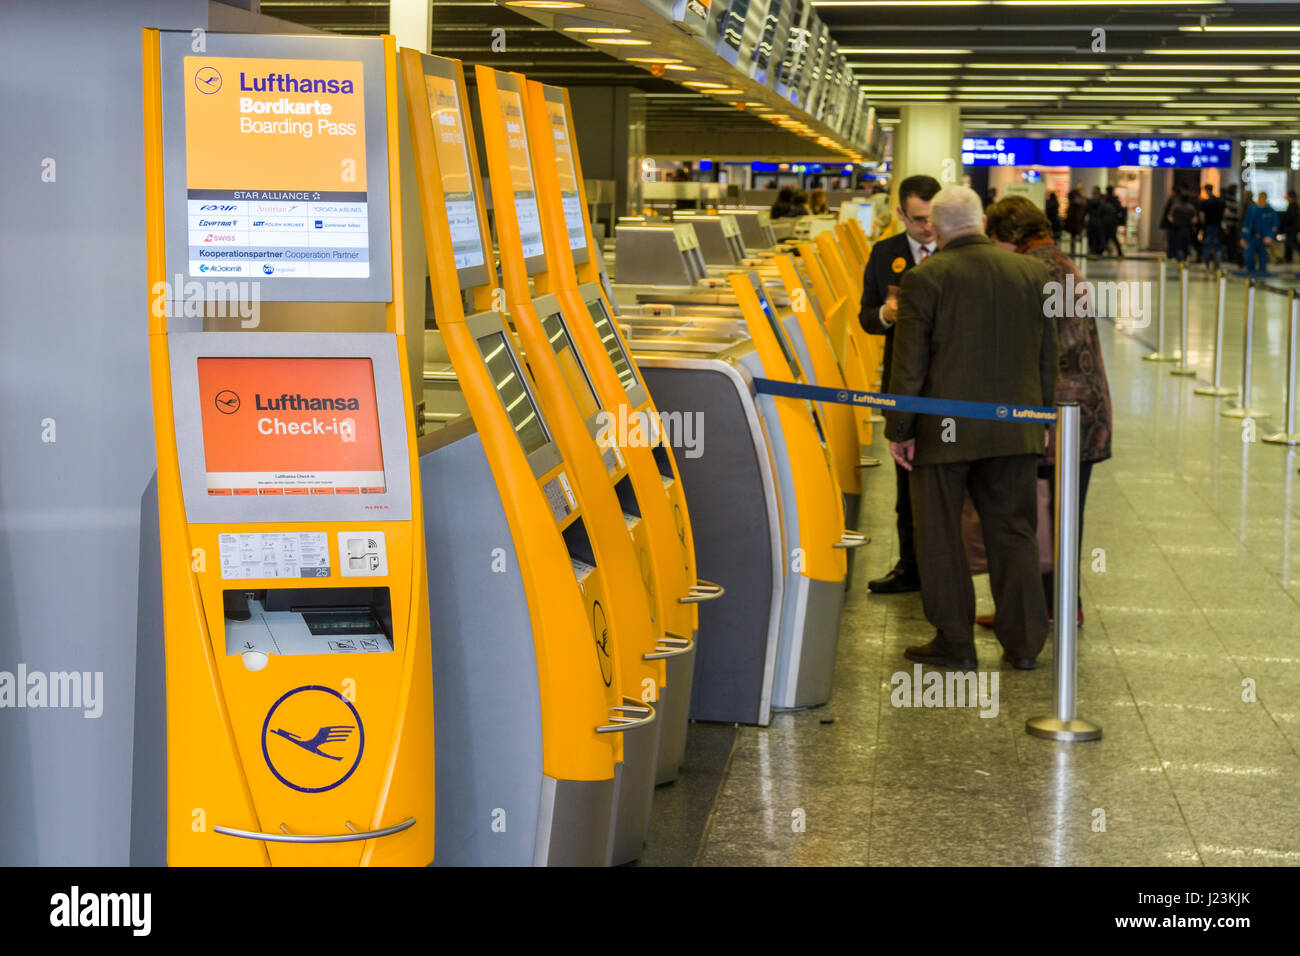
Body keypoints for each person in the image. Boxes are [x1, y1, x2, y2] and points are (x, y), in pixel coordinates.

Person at [885, 185, 1058, 670]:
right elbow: (1048, 358)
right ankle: (1024, 644)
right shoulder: (1033, 273)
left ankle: (955, 641)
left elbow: (910, 364)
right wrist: (1041, 419)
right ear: (981, 222)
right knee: (1014, 531)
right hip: (1016, 427)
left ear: (936, 228)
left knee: (940, 533)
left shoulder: (926, 277)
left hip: (944, 431)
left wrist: (900, 429)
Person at [984, 197, 1113, 629]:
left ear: (1008, 237)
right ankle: (1055, 603)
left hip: (1059, 418)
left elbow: (1052, 350)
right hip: (1083, 417)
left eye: (993, 239)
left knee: (1044, 517)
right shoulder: (1059, 263)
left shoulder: (1035, 271)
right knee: (1060, 516)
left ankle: (1046, 607)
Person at [857, 173, 942, 594]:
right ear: (900, 214)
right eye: (918, 219)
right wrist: (886, 317)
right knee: (905, 480)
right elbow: (865, 316)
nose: (927, 228)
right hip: (903, 383)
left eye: (932, 218)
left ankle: (946, 570)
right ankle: (910, 566)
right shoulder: (884, 253)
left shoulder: (953, 251)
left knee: (945, 484)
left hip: (949, 387)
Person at [1241, 191, 1279, 275]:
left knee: (1263, 257)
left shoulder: (1270, 211)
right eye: (1260, 198)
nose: (1261, 200)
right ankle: (1250, 275)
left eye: (1263, 198)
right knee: (1249, 256)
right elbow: (1246, 224)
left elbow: (1275, 225)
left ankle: (1262, 275)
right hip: (1252, 237)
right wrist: (1243, 237)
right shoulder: (1252, 209)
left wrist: (1270, 236)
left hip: (1264, 238)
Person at [1167, 190, 1198, 262]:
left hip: (1177, 229)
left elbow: (1170, 218)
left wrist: (1175, 222)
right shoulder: (1191, 208)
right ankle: (1185, 258)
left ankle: (1181, 260)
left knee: (1179, 246)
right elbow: (1195, 220)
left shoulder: (1176, 207)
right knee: (1186, 245)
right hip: (1187, 229)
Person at [1199, 184, 1225, 267]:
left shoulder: (1205, 202)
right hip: (1217, 225)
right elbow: (1226, 213)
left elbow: (1202, 215)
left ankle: (1207, 262)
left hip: (1208, 225)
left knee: (1206, 244)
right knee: (1217, 245)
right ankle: (1217, 259)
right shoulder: (1220, 201)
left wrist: (1202, 225)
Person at [1222, 185, 1241, 266]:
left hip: (1232, 225)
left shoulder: (1232, 200)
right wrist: (1225, 225)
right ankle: (1230, 258)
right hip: (1230, 225)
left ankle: (1231, 258)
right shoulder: (1228, 200)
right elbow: (1225, 214)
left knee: (1231, 243)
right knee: (1230, 243)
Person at [1065, 182, 1086, 257]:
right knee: (1075, 237)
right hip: (1076, 224)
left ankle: (1075, 250)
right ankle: (1074, 249)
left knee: (1074, 237)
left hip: (1075, 224)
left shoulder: (1075, 205)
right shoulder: (1078, 204)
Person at [1103, 186, 1125, 257]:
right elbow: (1120, 210)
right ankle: (1106, 250)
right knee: (1110, 237)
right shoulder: (1114, 200)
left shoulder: (1107, 200)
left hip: (1109, 221)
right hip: (1112, 221)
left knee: (1110, 237)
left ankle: (1105, 250)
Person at [1084, 186, 1105, 257]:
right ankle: (1096, 251)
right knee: (1096, 237)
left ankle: (1093, 250)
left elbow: (1086, 210)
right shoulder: (1101, 201)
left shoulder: (1091, 201)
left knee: (1092, 237)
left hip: (1093, 221)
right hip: (1098, 221)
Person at [1281, 191, 1299, 263]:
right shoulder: (1292, 204)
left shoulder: (1293, 205)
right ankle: (1288, 259)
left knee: (1292, 243)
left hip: (1291, 228)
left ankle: (1288, 259)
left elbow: (1291, 217)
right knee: (1289, 243)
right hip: (1291, 228)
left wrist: (1286, 224)